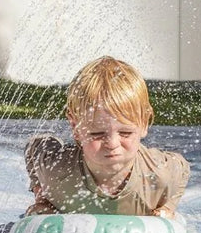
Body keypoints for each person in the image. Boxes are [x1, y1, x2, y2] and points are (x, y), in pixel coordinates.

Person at [24, 56, 190, 216]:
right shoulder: (58, 169)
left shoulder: (157, 173)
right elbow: (35, 148)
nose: (112, 143)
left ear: (144, 123)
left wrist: (168, 207)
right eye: (97, 134)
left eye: (125, 133)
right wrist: (42, 196)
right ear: (75, 126)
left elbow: (182, 168)